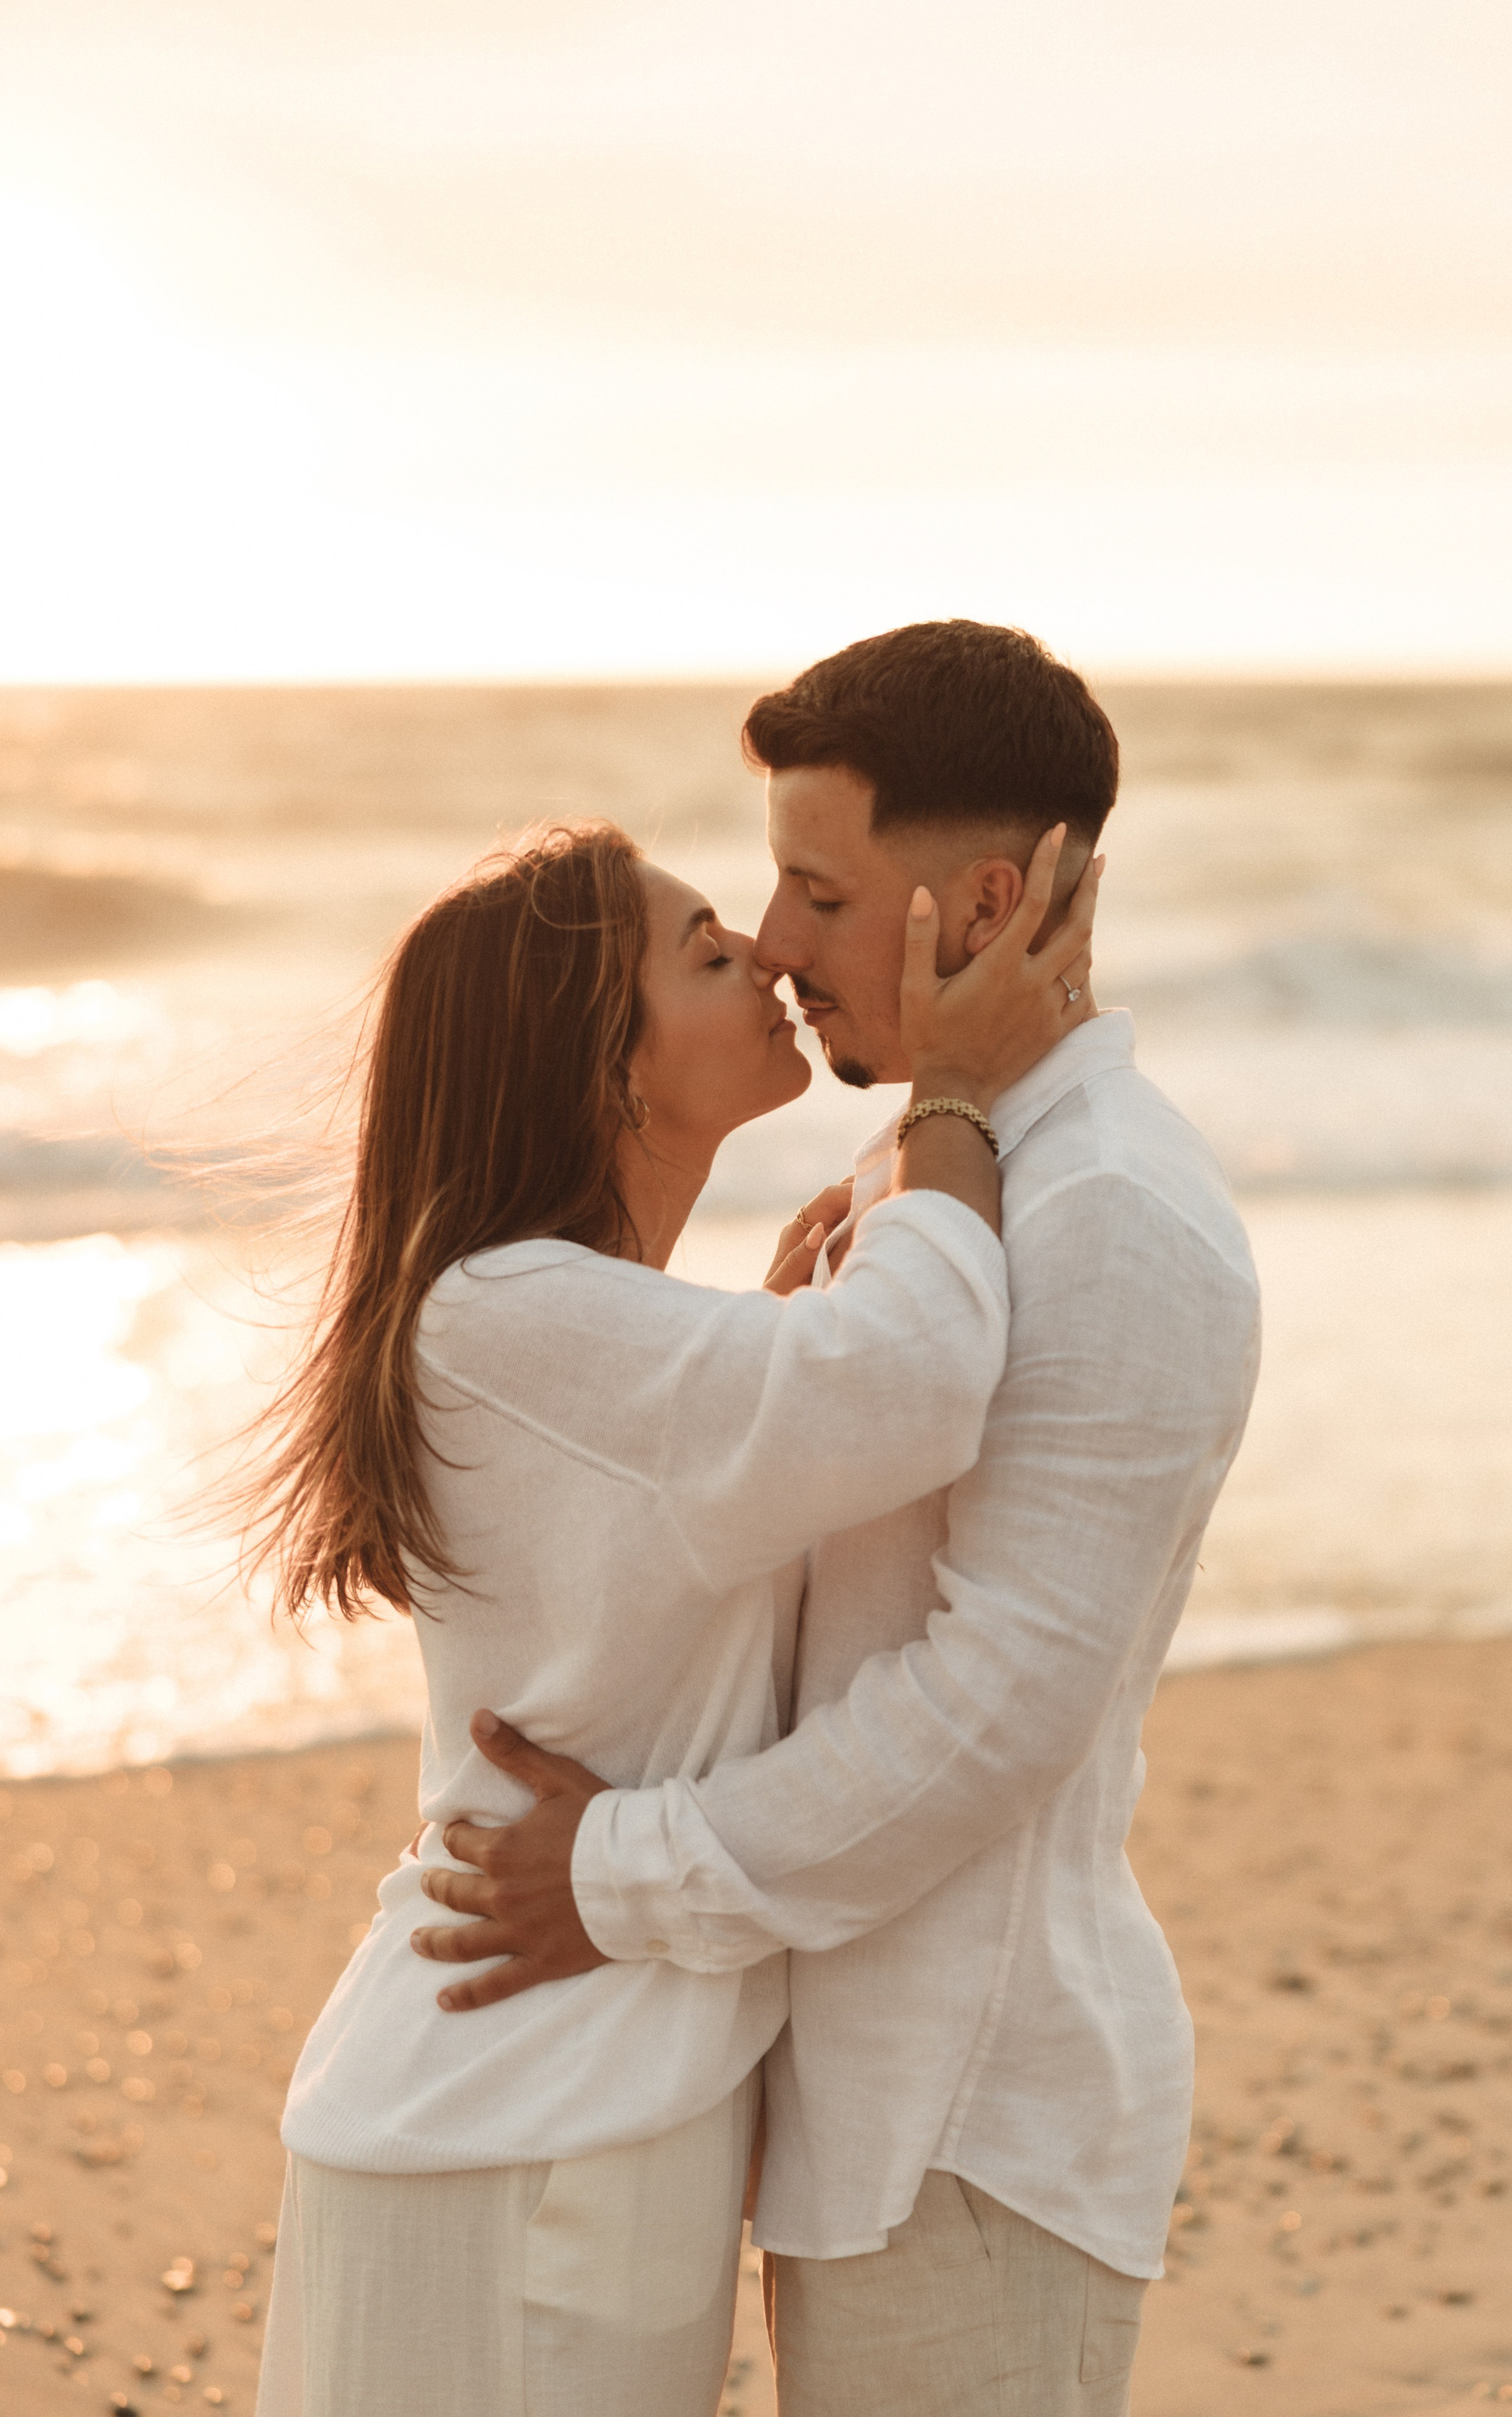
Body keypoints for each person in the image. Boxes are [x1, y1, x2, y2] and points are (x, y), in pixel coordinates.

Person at [409, 621, 1263, 2416]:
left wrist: (615, 1876)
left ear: (990, 899)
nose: (776, 945)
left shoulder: (1112, 1216)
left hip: (971, 2119)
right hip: (852, 2099)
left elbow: (992, 1709)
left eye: (815, 893)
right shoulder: (935, 1171)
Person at [250, 808, 1098, 2417]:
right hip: (522, 2122)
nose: (771, 957)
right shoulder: (512, 1312)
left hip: (564, 2101)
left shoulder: (569, 1326)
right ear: (604, 1066)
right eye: (709, 954)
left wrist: (776, 1332)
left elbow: (699, 1539)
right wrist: (960, 1094)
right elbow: (916, 1385)